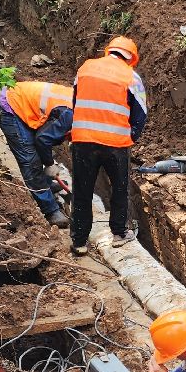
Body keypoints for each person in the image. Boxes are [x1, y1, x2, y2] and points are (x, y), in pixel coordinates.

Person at [70, 35, 148, 256]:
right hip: (116, 144)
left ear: (109, 51)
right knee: (120, 189)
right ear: (131, 58)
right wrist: (130, 137)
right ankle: (120, 233)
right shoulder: (131, 76)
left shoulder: (85, 68)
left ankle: (79, 241)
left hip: (83, 140)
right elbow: (140, 114)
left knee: (82, 190)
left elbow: (75, 101)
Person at [0, 79, 74, 228]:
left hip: (23, 100)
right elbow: (43, 139)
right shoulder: (69, 115)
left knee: (40, 150)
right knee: (31, 162)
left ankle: (46, 184)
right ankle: (51, 211)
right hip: (12, 106)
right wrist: (49, 165)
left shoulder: (78, 107)